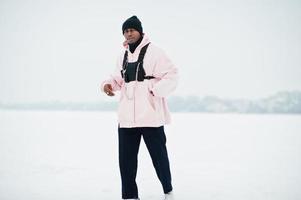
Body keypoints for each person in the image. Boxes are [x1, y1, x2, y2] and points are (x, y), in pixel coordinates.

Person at [100, 15, 178, 200]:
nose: (129, 34)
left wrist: (155, 91)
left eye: (132, 30)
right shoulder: (123, 56)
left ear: (140, 31)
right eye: (125, 31)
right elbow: (117, 79)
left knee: (159, 158)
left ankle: (168, 191)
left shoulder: (156, 52)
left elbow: (172, 75)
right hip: (126, 118)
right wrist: (107, 85)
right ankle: (130, 196)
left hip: (150, 115)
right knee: (126, 162)